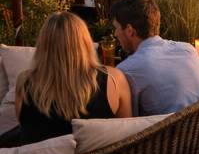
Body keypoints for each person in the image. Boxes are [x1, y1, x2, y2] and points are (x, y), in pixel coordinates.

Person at [16, 12, 132, 143]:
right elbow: (126, 135)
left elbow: (25, 128)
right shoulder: (115, 79)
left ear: (43, 45)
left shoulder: (24, 81)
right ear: (85, 42)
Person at [111, 0, 199, 116]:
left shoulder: (126, 71)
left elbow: (127, 122)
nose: (115, 34)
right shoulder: (188, 50)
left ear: (129, 30)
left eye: (116, 28)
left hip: (168, 134)